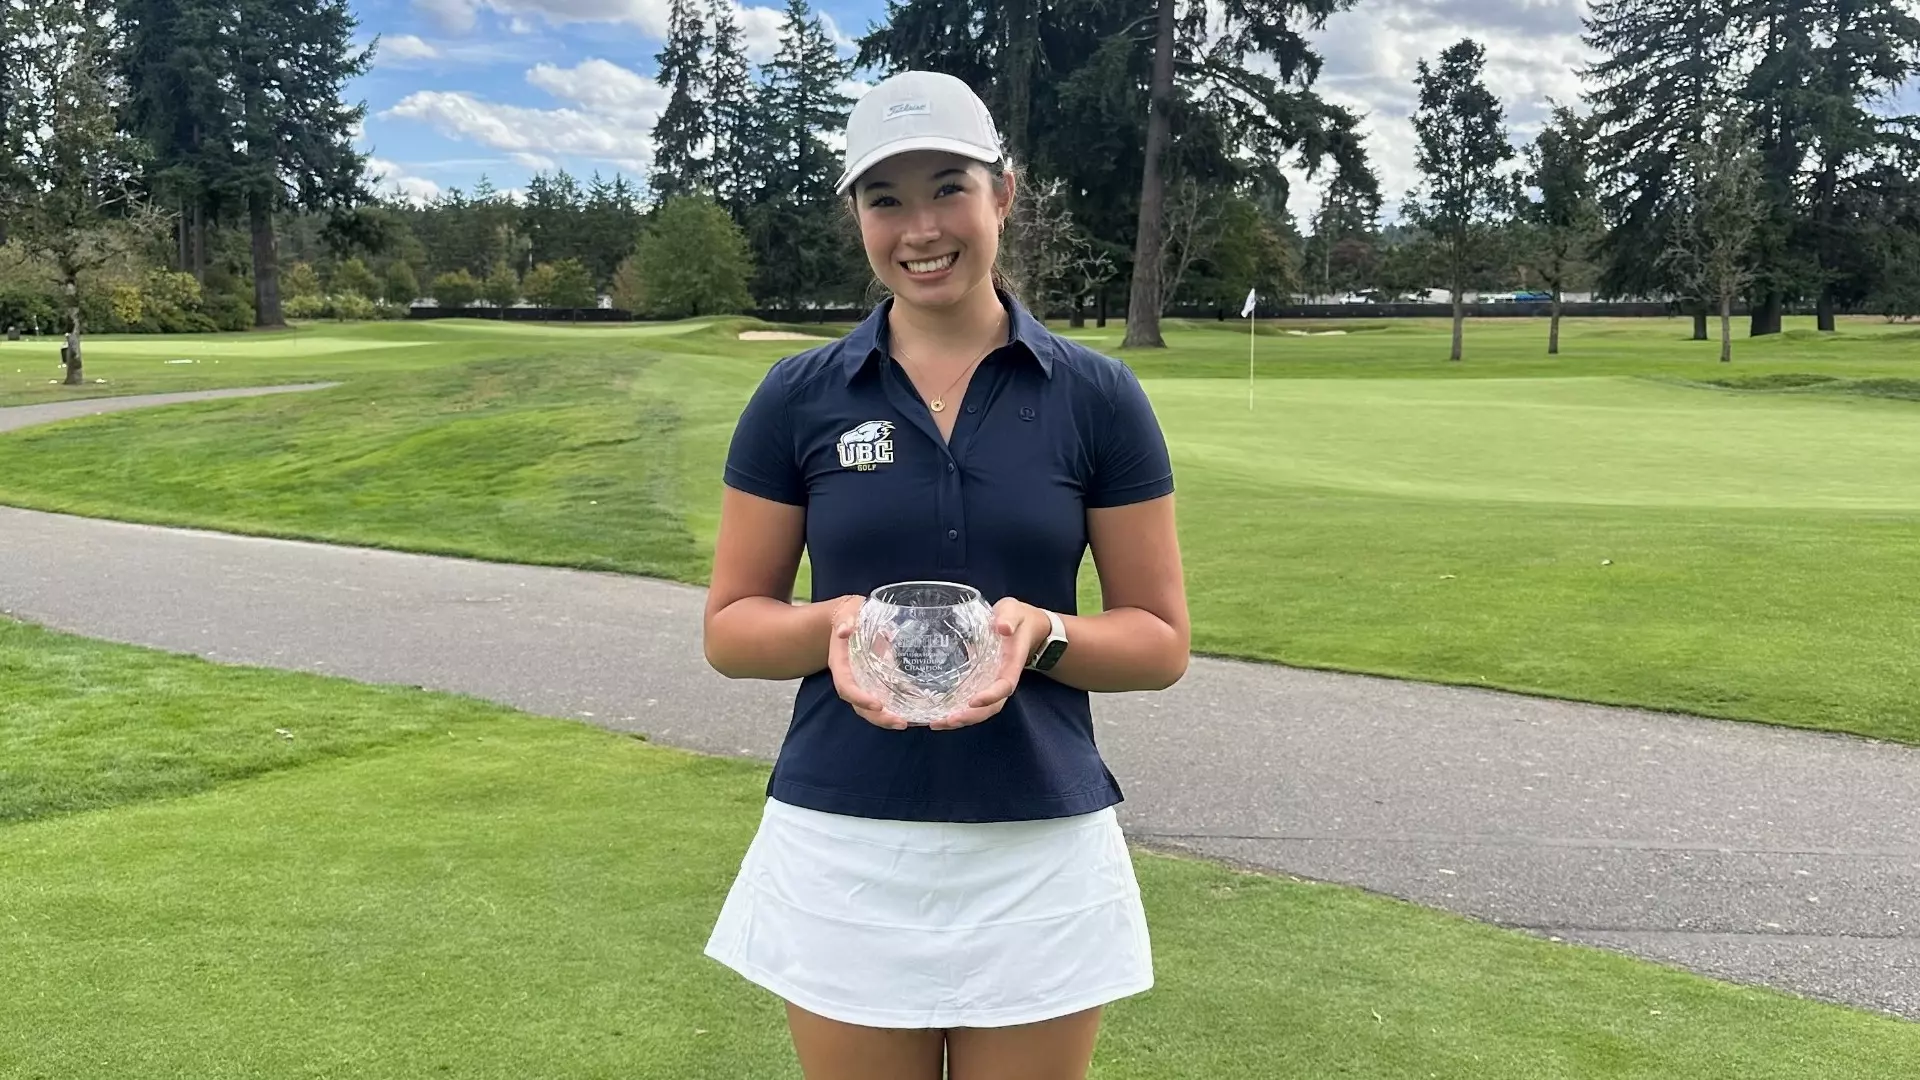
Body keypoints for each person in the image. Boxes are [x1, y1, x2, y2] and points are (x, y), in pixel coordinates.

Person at [701, 69, 1191, 1080]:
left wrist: (1040, 635)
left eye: (949, 188)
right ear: (858, 218)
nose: (920, 228)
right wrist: (836, 625)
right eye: (886, 199)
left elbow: (1158, 641)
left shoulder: (1096, 396)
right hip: (844, 838)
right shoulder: (799, 397)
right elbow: (731, 626)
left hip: (1036, 845)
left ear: (1002, 194)